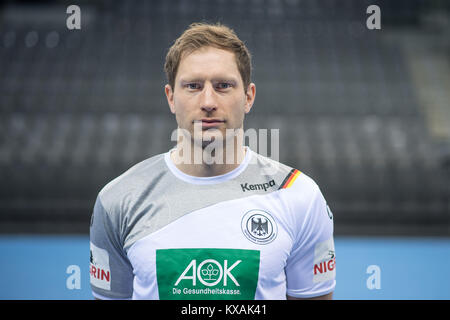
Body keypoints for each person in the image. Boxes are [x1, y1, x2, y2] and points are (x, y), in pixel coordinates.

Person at [89, 22, 336, 300]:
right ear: (171, 98)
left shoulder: (298, 195)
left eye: (223, 86)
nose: (208, 101)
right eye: (193, 86)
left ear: (248, 97)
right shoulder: (118, 200)